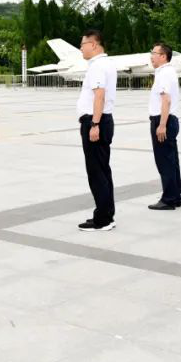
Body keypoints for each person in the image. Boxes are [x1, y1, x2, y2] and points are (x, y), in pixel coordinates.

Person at [76, 30, 118, 231]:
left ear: (93, 44)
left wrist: (94, 124)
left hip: (96, 122)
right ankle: (106, 214)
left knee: (96, 172)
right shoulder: (106, 64)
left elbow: (99, 96)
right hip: (102, 120)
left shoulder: (98, 66)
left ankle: (102, 219)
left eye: (83, 44)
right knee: (102, 170)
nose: (81, 48)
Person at [147, 42, 181, 210]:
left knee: (164, 162)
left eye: (154, 53)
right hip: (168, 119)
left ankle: (168, 199)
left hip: (163, 120)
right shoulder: (167, 72)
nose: (151, 56)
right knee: (171, 161)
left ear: (163, 56)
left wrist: (161, 125)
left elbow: (166, 100)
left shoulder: (164, 73)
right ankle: (175, 196)